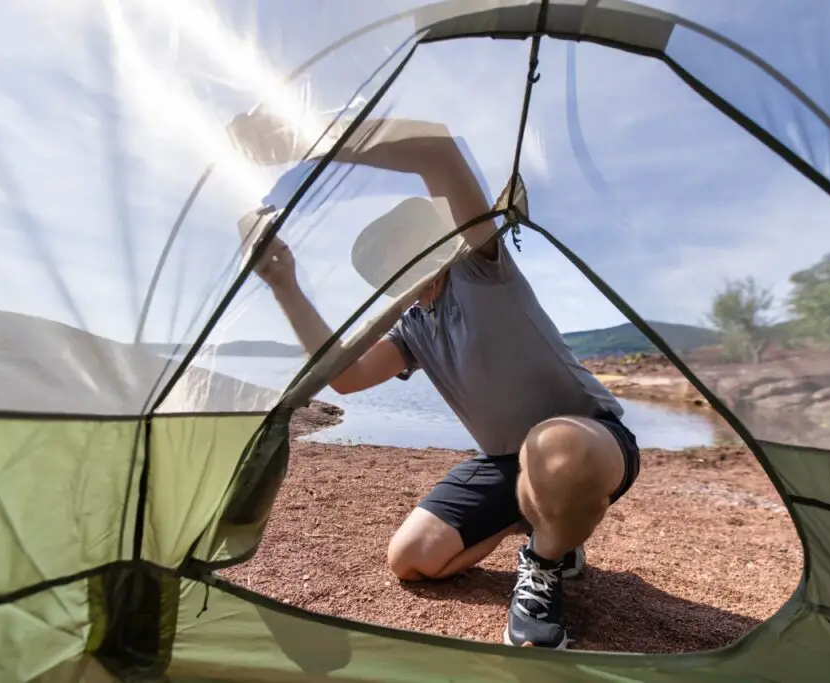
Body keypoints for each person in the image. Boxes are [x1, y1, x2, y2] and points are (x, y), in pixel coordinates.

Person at [237, 112, 641, 650]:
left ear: (435, 238)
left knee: (556, 449)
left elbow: (435, 148)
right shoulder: (413, 330)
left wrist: (299, 138)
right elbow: (347, 378)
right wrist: (283, 283)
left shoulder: (478, 266)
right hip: (506, 463)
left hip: (591, 439)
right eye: (382, 263)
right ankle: (540, 523)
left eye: (403, 245)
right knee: (412, 559)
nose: (395, 262)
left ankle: (546, 561)